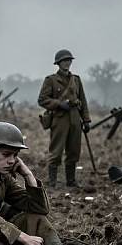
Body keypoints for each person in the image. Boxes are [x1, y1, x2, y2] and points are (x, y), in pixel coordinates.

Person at [38, 49, 91, 188]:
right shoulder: (51, 80)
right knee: (56, 152)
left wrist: (86, 120)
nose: (67, 63)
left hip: (75, 118)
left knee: (73, 151)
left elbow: (83, 101)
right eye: (64, 61)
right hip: (59, 119)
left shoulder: (76, 80)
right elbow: (42, 100)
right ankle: (52, 182)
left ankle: (71, 181)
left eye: (69, 61)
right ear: (58, 63)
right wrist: (59, 104)